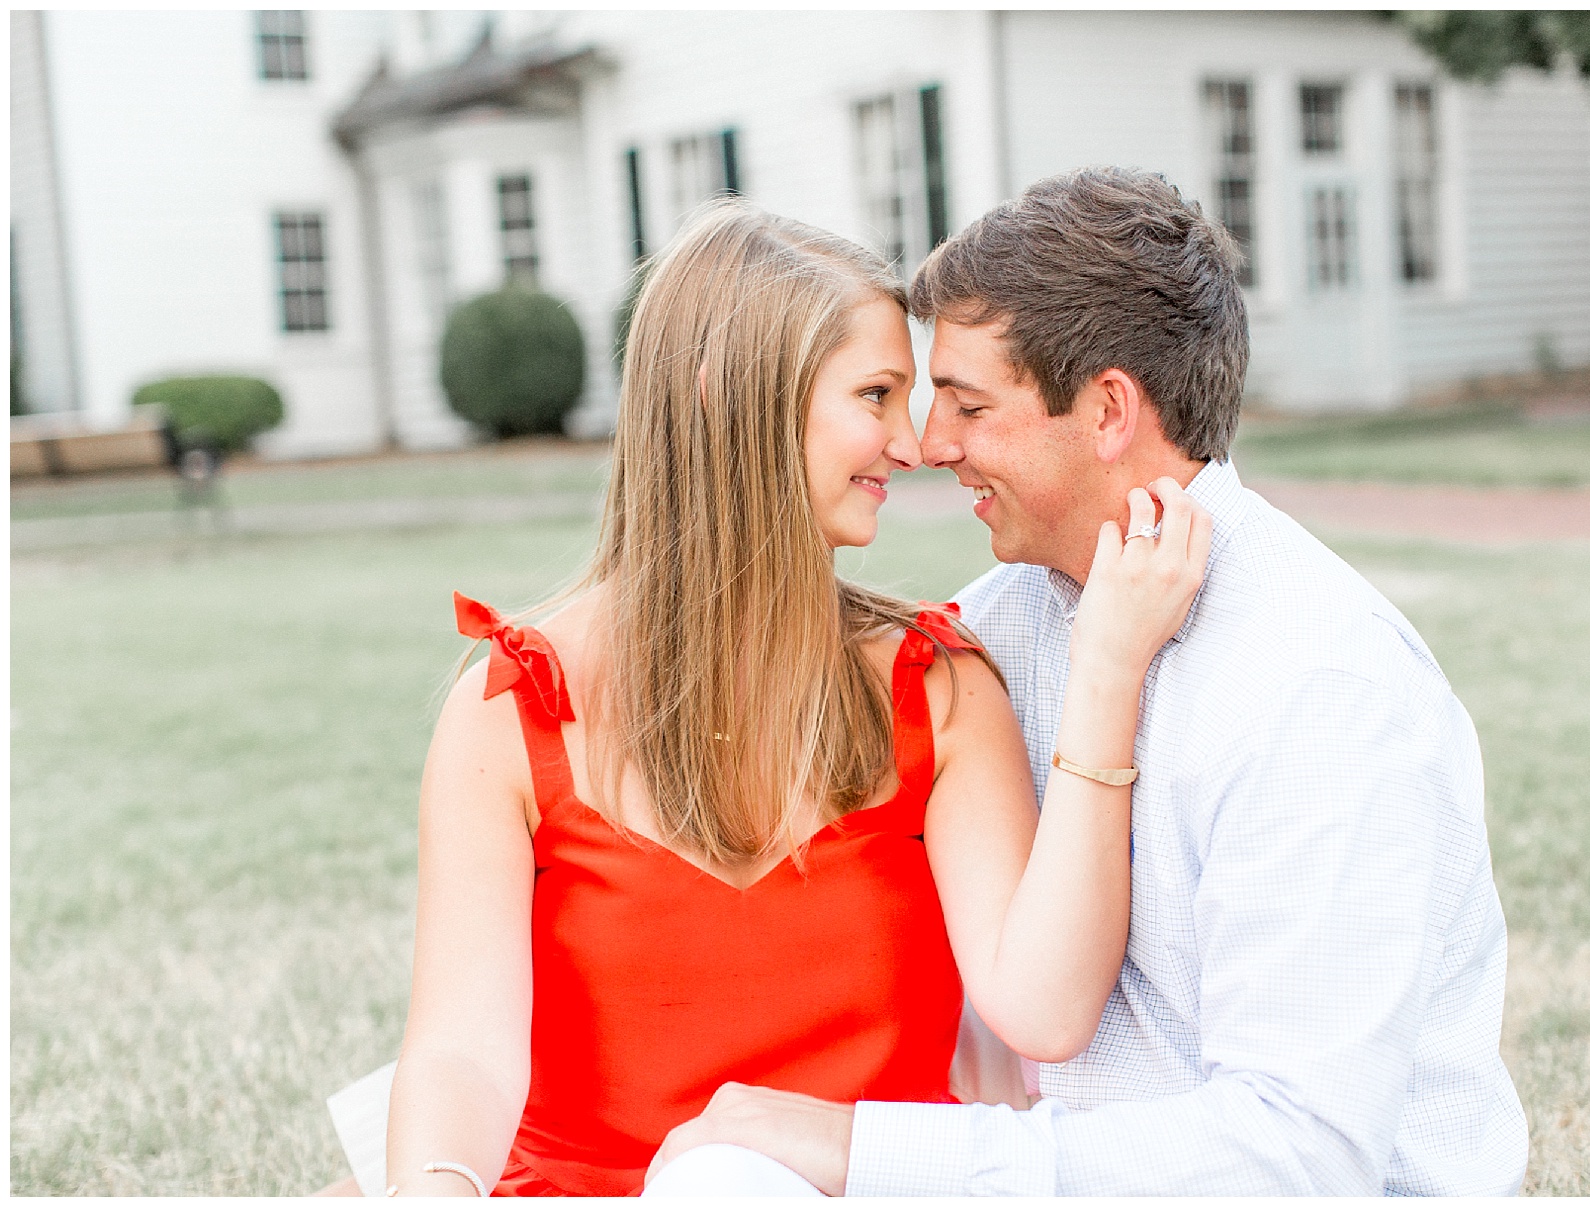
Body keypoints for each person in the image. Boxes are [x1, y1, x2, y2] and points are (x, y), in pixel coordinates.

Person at [649, 167, 1530, 1195]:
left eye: (968, 405)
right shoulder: (992, 631)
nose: (931, 445)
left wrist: (863, 1149)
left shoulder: (1320, 687)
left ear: (1109, 410)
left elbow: (1300, 1159)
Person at [381, 199, 1211, 1196]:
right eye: (876, 393)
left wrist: (1107, 672)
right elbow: (462, 1053)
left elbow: (1046, 1007)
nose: (912, 445)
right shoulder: (512, 711)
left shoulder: (936, 689)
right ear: (729, 395)